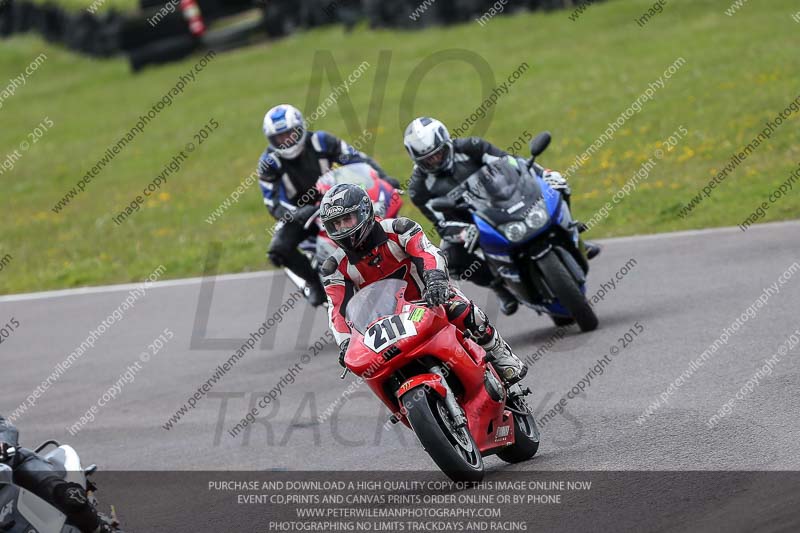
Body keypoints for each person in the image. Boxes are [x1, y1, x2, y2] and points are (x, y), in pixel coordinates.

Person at [318, 183, 527, 385]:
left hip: (428, 300)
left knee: (463, 311)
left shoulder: (399, 229)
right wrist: (345, 342)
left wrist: (436, 279)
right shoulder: (334, 267)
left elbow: (427, 252)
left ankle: (501, 356)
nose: (342, 227)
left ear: (364, 212)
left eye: (346, 219)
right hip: (384, 326)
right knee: (370, 367)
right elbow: (337, 309)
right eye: (336, 223)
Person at [403, 116, 601, 315]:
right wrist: (464, 232)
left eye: (438, 154)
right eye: (428, 159)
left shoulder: (471, 146)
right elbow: (441, 224)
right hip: (471, 223)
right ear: (417, 160)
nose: (435, 160)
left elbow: (512, 162)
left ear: (447, 143)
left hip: (504, 200)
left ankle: (572, 232)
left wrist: (543, 174)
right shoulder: (418, 188)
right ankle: (500, 287)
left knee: (557, 187)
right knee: (451, 259)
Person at [258, 103, 399, 306]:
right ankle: (314, 282)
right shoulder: (268, 163)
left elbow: (357, 159)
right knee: (278, 250)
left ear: (300, 129)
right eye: (279, 138)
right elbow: (272, 204)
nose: (285, 141)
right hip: (302, 213)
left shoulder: (322, 141)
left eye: (289, 134)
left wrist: (384, 179)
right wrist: (298, 213)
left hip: (336, 200)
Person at [0, 415, 116, 532]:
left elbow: (5, 427)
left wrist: (3, 443)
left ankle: (101, 528)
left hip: (15, 464)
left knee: (68, 495)